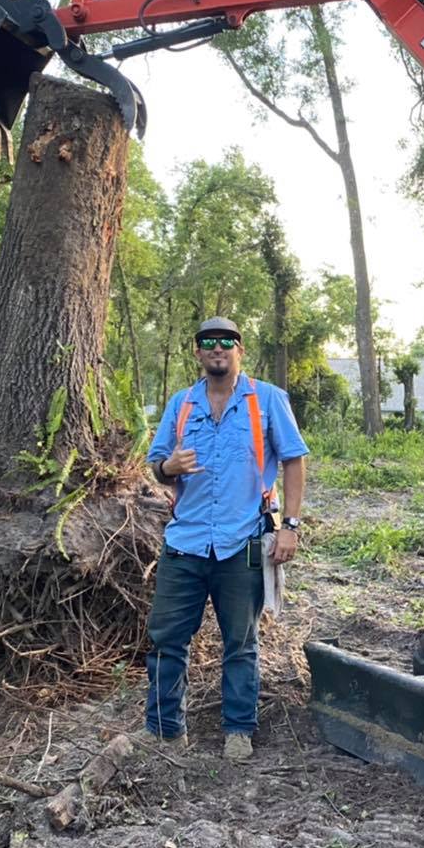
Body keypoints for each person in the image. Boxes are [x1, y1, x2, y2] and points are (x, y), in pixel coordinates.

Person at [142, 317, 308, 762]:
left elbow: (294, 461)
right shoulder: (181, 404)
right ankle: (164, 731)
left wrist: (290, 526)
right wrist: (168, 468)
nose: (218, 348)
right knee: (167, 640)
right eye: (208, 342)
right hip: (185, 542)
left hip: (243, 542)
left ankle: (238, 730)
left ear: (239, 350)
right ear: (197, 352)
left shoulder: (267, 399)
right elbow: (156, 465)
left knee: (241, 641)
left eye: (227, 342)